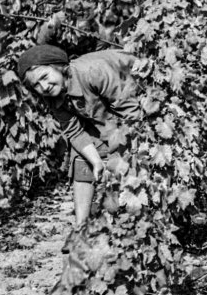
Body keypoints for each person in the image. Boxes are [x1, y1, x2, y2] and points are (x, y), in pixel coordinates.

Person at [17, 44, 141, 252]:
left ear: (58, 66)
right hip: (108, 119)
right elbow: (74, 131)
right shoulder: (53, 96)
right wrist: (95, 160)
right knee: (82, 155)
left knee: (131, 163)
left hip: (139, 106)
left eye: (45, 76)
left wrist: (122, 156)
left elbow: (133, 114)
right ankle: (81, 228)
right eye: (37, 85)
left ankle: (134, 219)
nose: (44, 86)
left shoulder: (92, 72)